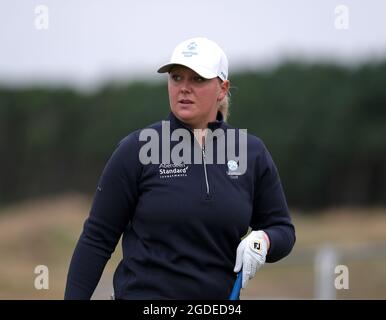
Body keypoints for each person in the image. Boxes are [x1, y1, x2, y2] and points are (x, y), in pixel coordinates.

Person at [64, 37, 296, 300]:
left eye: (197, 79)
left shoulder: (250, 152)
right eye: (176, 78)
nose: (184, 88)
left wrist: (264, 240)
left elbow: (282, 229)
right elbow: (97, 239)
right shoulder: (136, 149)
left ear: (222, 89)